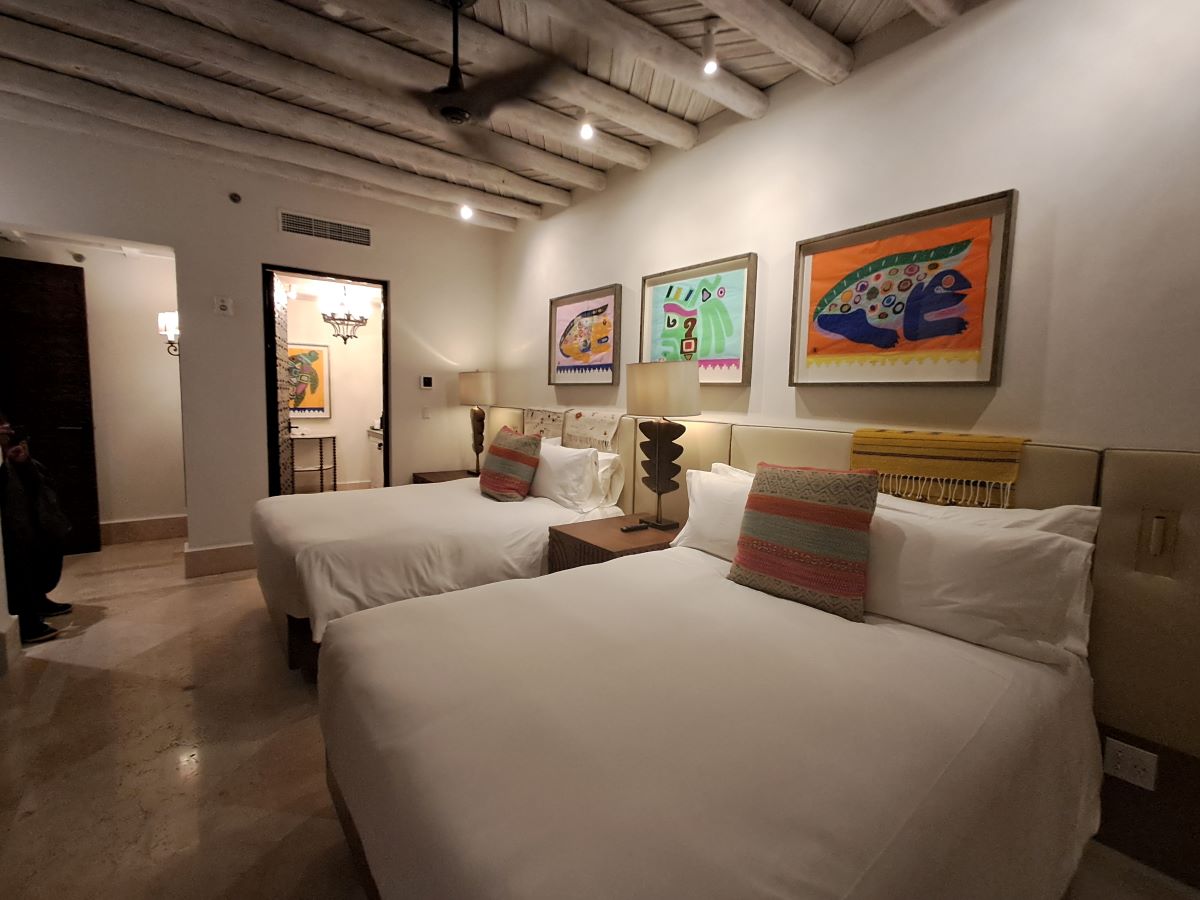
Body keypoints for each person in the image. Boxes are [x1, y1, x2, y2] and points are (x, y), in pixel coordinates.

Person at [0, 411, 73, 644]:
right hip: (12, 528)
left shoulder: (15, 458)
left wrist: (22, 461)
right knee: (17, 565)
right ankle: (25, 619)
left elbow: (38, 485)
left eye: (8, 429)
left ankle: (38, 601)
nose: (8, 434)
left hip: (31, 521)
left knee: (42, 555)